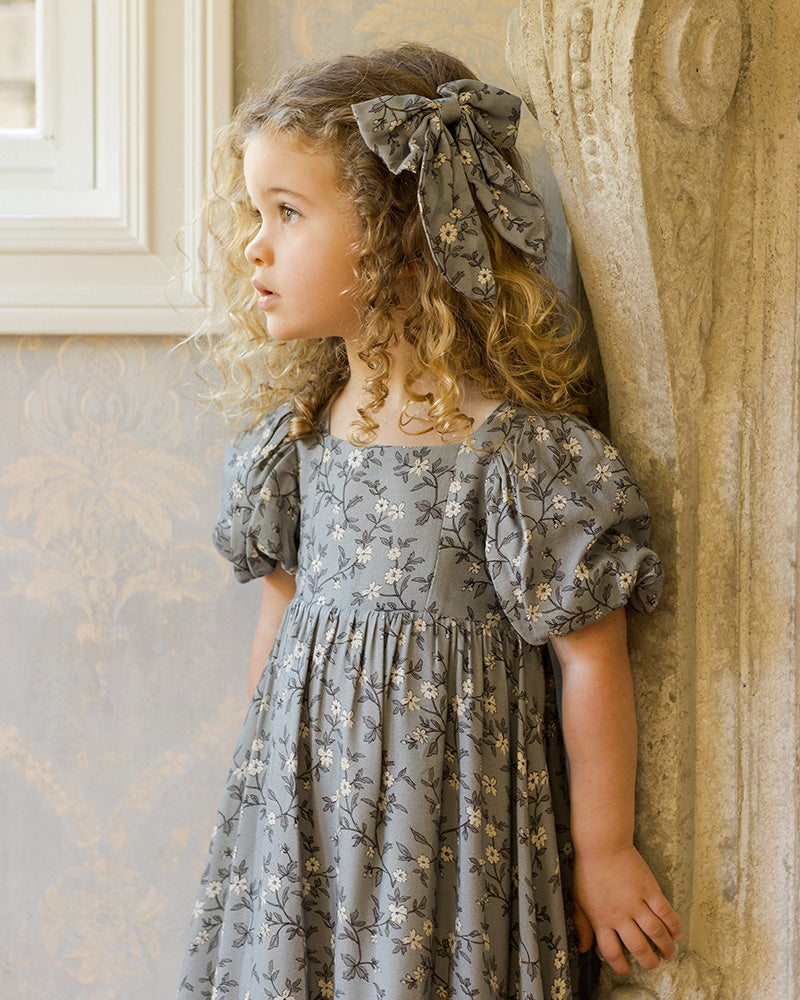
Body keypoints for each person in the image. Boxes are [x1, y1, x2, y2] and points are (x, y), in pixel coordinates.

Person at [177, 42, 682, 1000]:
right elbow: (280, 629)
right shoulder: (297, 446)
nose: (255, 244)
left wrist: (603, 848)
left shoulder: (518, 461)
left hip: (445, 841)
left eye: (288, 213)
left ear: (402, 235)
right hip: (306, 834)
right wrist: (263, 797)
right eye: (255, 213)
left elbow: (589, 656)